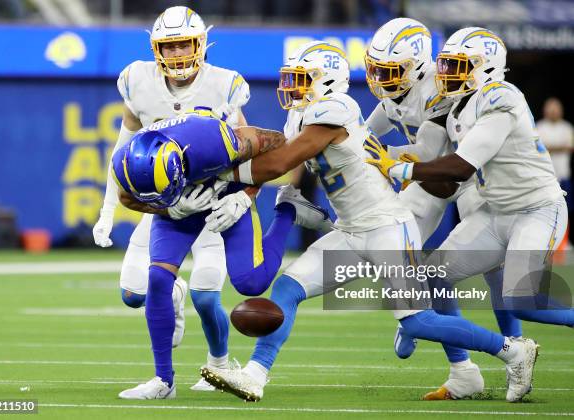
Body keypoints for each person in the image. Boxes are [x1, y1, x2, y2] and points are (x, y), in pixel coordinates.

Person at [200, 40, 540, 404]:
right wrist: (273, 191)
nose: (292, 87)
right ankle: (254, 376)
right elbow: (289, 158)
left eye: (302, 79)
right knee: (287, 289)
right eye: (291, 78)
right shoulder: (303, 113)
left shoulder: (337, 109)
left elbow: (280, 162)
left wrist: (220, 174)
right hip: (350, 230)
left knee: (416, 322)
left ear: (327, 81)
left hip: (387, 227)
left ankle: (511, 350)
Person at [112, 108, 331, 400]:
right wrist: (167, 207)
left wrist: (245, 196)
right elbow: (127, 199)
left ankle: (287, 209)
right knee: (158, 280)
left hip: (228, 192)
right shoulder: (125, 164)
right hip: (180, 207)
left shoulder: (214, 141)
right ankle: (164, 381)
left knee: (251, 283)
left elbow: (278, 145)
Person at [91, 6, 255, 392]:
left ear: (200, 44)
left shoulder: (223, 84)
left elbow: (249, 149)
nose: (179, 54)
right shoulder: (138, 81)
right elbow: (122, 153)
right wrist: (107, 209)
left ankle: (218, 366)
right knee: (134, 294)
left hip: (212, 203)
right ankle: (171, 304)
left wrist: (243, 198)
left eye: (184, 44)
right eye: (170, 46)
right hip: (167, 206)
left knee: (206, 293)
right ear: (155, 49)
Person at [365, 18, 521, 400]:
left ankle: (519, 349)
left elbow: (429, 153)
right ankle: (459, 366)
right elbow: (366, 132)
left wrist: (384, 158)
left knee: (496, 273)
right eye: (378, 69)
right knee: (390, 248)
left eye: (390, 71)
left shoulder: (442, 82)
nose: (382, 79)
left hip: (470, 177)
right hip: (430, 181)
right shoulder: (396, 92)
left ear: (417, 64)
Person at [537, 97, 574, 246]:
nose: (553, 111)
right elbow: (538, 148)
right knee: (544, 210)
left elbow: (570, 147)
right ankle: (545, 242)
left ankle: (563, 242)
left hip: (563, 176)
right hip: (545, 178)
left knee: (566, 210)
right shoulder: (539, 127)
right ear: (545, 110)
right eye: (550, 108)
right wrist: (559, 147)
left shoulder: (567, 127)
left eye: (556, 108)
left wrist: (549, 147)